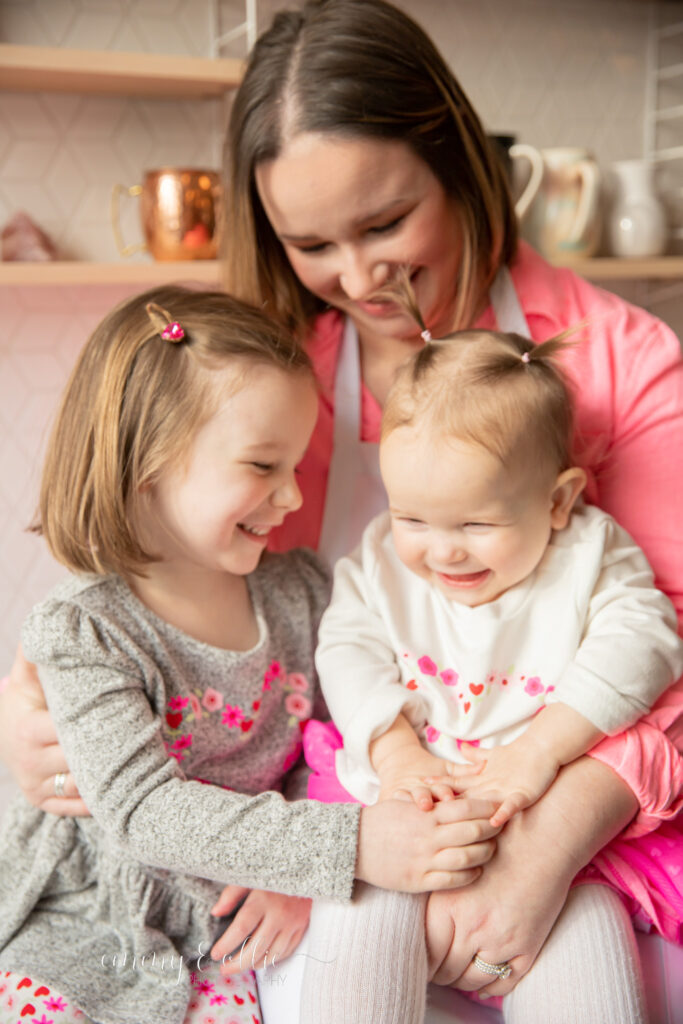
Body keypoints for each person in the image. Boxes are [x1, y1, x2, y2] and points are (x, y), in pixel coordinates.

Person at [1, 0, 683, 1018]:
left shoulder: (619, 366)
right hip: (336, 810)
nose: (359, 277)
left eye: (384, 223)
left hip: (560, 814)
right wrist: (40, 720)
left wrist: (540, 838)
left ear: (458, 160)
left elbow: (658, 647)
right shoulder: (269, 386)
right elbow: (159, 609)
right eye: (310, 242)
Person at [0, 286, 501, 1024]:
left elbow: (320, 754)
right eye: (263, 466)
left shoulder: (300, 594)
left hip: (234, 921)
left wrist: (296, 877)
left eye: (295, 466)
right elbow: (144, 812)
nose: (293, 496)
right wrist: (350, 847)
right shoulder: (86, 632)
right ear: (148, 466)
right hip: (93, 917)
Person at [301, 321, 683, 1023]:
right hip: (404, 809)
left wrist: (540, 750)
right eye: (414, 516)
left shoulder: (589, 552)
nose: (442, 552)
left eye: (475, 525)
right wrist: (395, 751)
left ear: (558, 500)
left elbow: (646, 642)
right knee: (355, 922)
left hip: (547, 827)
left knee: (589, 948)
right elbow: (346, 649)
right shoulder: (383, 558)